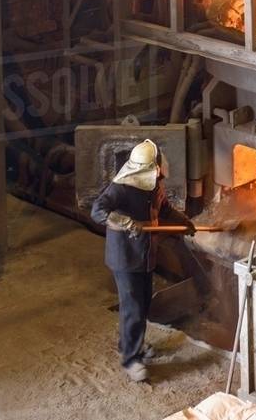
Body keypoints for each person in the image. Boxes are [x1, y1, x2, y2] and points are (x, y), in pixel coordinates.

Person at [91, 139, 195, 383]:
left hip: (145, 255)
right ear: (148, 166)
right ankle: (130, 359)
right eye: (158, 163)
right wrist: (126, 223)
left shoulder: (153, 185)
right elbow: (97, 211)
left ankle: (130, 343)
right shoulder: (122, 187)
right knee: (133, 307)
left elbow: (165, 209)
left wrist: (185, 223)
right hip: (125, 258)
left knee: (143, 303)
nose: (162, 167)